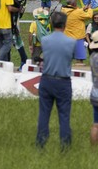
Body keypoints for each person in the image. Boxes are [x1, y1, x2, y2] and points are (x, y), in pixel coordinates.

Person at [37, 11, 77, 150]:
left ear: (52, 23)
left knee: (44, 113)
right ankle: (65, 145)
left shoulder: (45, 40)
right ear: (65, 25)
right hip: (63, 81)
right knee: (64, 115)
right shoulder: (71, 42)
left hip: (47, 79)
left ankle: (40, 143)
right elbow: (71, 57)